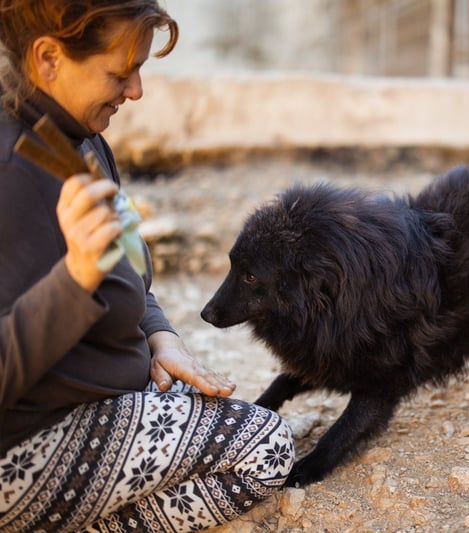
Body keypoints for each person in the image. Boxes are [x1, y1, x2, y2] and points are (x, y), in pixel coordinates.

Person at [0, 1, 294, 531]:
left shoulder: (79, 138)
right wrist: (75, 280)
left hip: (106, 388)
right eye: (119, 74)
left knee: (233, 415)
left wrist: (161, 338)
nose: (136, 91)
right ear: (48, 58)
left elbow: (127, 272)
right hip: (26, 442)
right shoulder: (10, 175)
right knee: (266, 447)